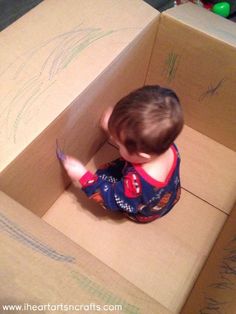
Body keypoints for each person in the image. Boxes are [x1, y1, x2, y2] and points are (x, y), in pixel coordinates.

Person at [61, 85, 184, 223]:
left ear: (141, 155)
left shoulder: (140, 183)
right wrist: (117, 126)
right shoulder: (164, 143)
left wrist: (83, 176)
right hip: (165, 193)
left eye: (119, 143)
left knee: (102, 178)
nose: (114, 141)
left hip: (141, 208)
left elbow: (113, 199)